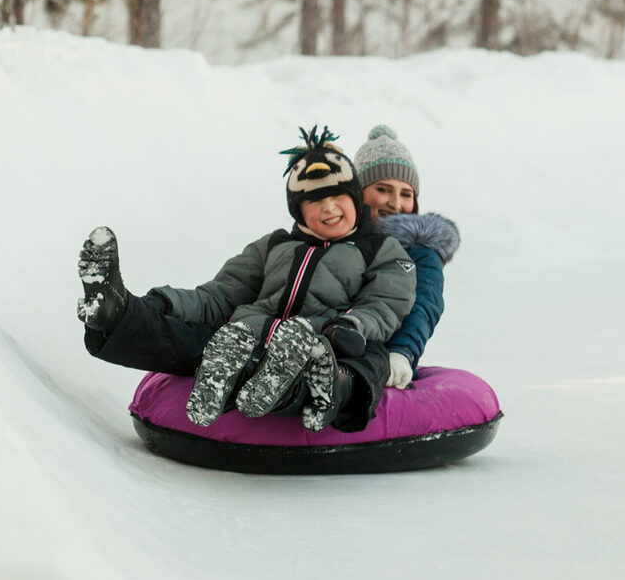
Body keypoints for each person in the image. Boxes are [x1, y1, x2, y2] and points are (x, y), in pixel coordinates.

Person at [77, 126, 415, 432]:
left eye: (337, 196)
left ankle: (312, 384)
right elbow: (219, 296)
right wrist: (158, 304)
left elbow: (385, 304)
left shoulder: (381, 250)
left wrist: (350, 327)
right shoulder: (273, 246)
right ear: (297, 209)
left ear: (355, 197)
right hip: (247, 341)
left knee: (370, 358)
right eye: (314, 200)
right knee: (192, 339)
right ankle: (115, 311)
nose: (328, 208)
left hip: (321, 343)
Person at [353, 125, 460, 389]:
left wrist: (402, 352)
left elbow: (425, 302)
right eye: (383, 189)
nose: (397, 204)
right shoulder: (338, 242)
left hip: (383, 363)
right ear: (358, 193)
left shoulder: (420, 252)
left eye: (406, 194)